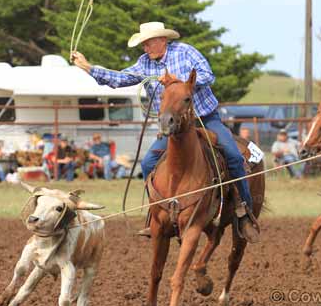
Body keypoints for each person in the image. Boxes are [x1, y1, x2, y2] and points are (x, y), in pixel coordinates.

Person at [72, 21, 259, 241]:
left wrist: (175, 82)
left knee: (234, 156)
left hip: (205, 118)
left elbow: (208, 75)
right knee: (149, 163)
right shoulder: (144, 64)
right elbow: (120, 79)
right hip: (176, 127)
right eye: (143, 45)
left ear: (162, 40)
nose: (145, 48)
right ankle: (156, 217)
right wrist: (87, 67)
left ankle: (243, 212)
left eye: (148, 43)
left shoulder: (186, 52)